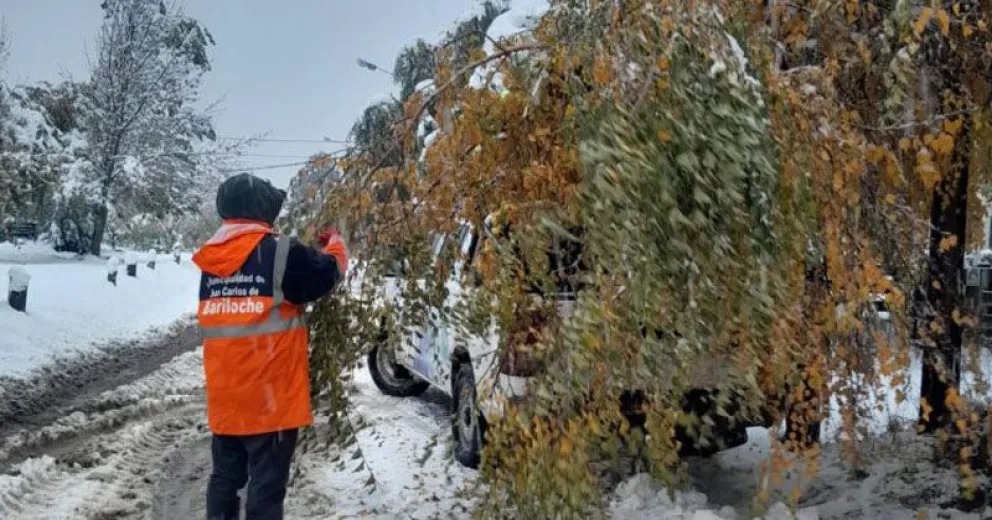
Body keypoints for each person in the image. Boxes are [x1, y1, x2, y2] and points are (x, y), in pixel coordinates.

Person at [192, 173, 349, 520]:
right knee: (265, 490)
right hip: (269, 401)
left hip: (226, 398)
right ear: (262, 210)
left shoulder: (211, 263)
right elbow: (328, 273)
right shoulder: (280, 252)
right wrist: (336, 242)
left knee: (225, 482)